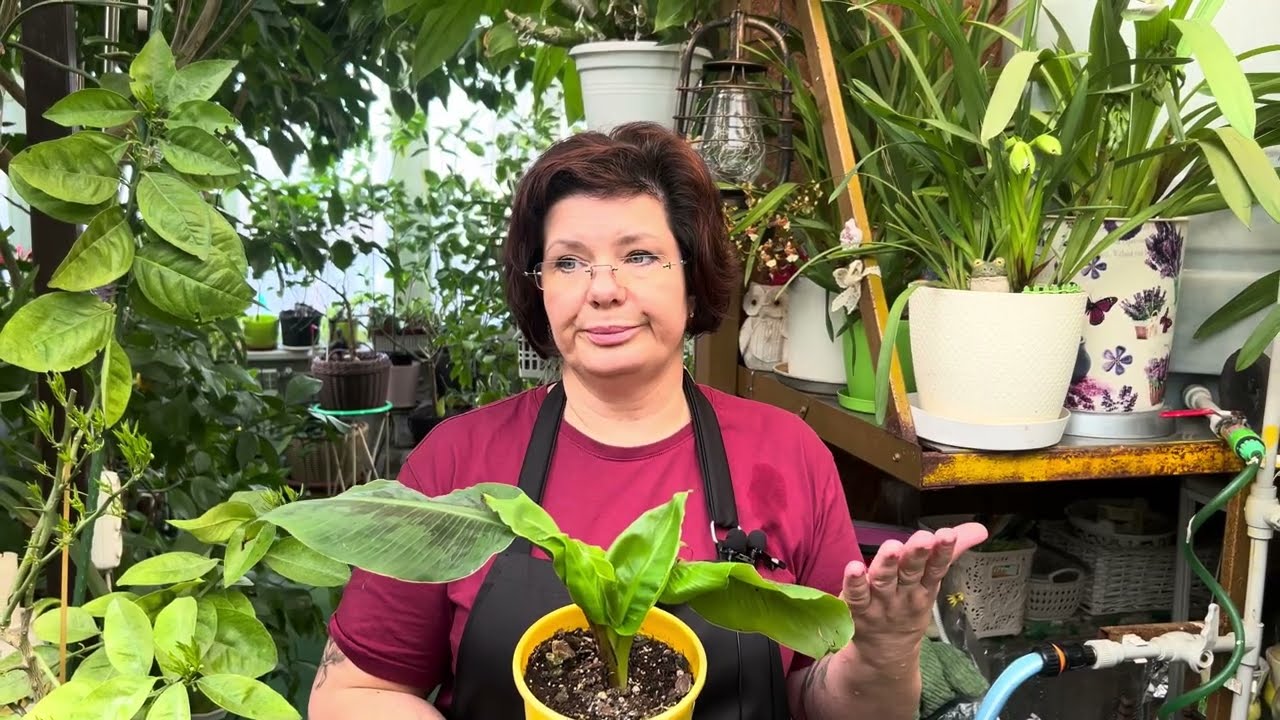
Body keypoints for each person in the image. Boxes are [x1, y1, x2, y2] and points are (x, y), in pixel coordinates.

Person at [308, 121, 987, 720]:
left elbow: (825, 701)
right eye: (568, 262)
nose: (603, 289)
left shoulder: (784, 452)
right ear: (539, 288)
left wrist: (884, 652)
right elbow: (353, 692)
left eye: (638, 256)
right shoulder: (458, 461)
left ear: (692, 280)